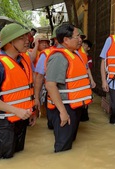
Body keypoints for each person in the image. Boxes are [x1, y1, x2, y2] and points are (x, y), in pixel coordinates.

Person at [0, 23, 37, 159]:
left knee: (19, 155)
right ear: (10, 42)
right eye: (22, 38)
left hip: (23, 117)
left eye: (27, 37)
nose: (27, 41)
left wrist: (33, 110)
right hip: (5, 121)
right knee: (6, 158)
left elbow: (28, 88)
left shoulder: (23, 59)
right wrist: (16, 111)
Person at [45, 23, 92, 152]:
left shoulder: (74, 54)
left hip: (74, 106)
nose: (80, 40)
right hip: (64, 108)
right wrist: (63, 112)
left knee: (70, 144)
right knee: (63, 147)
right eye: (77, 36)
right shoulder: (59, 57)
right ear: (66, 40)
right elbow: (50, 85)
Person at [80, 39, 94, 121]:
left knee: (86, 99)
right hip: (78, 81)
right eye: (83, 44)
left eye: (85, 45)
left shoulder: (88, 58)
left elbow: (88, 68)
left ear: (88, 48)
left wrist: (91, 80)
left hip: (85, 80)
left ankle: (84, 116)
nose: (83, 46)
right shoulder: (76, 54)